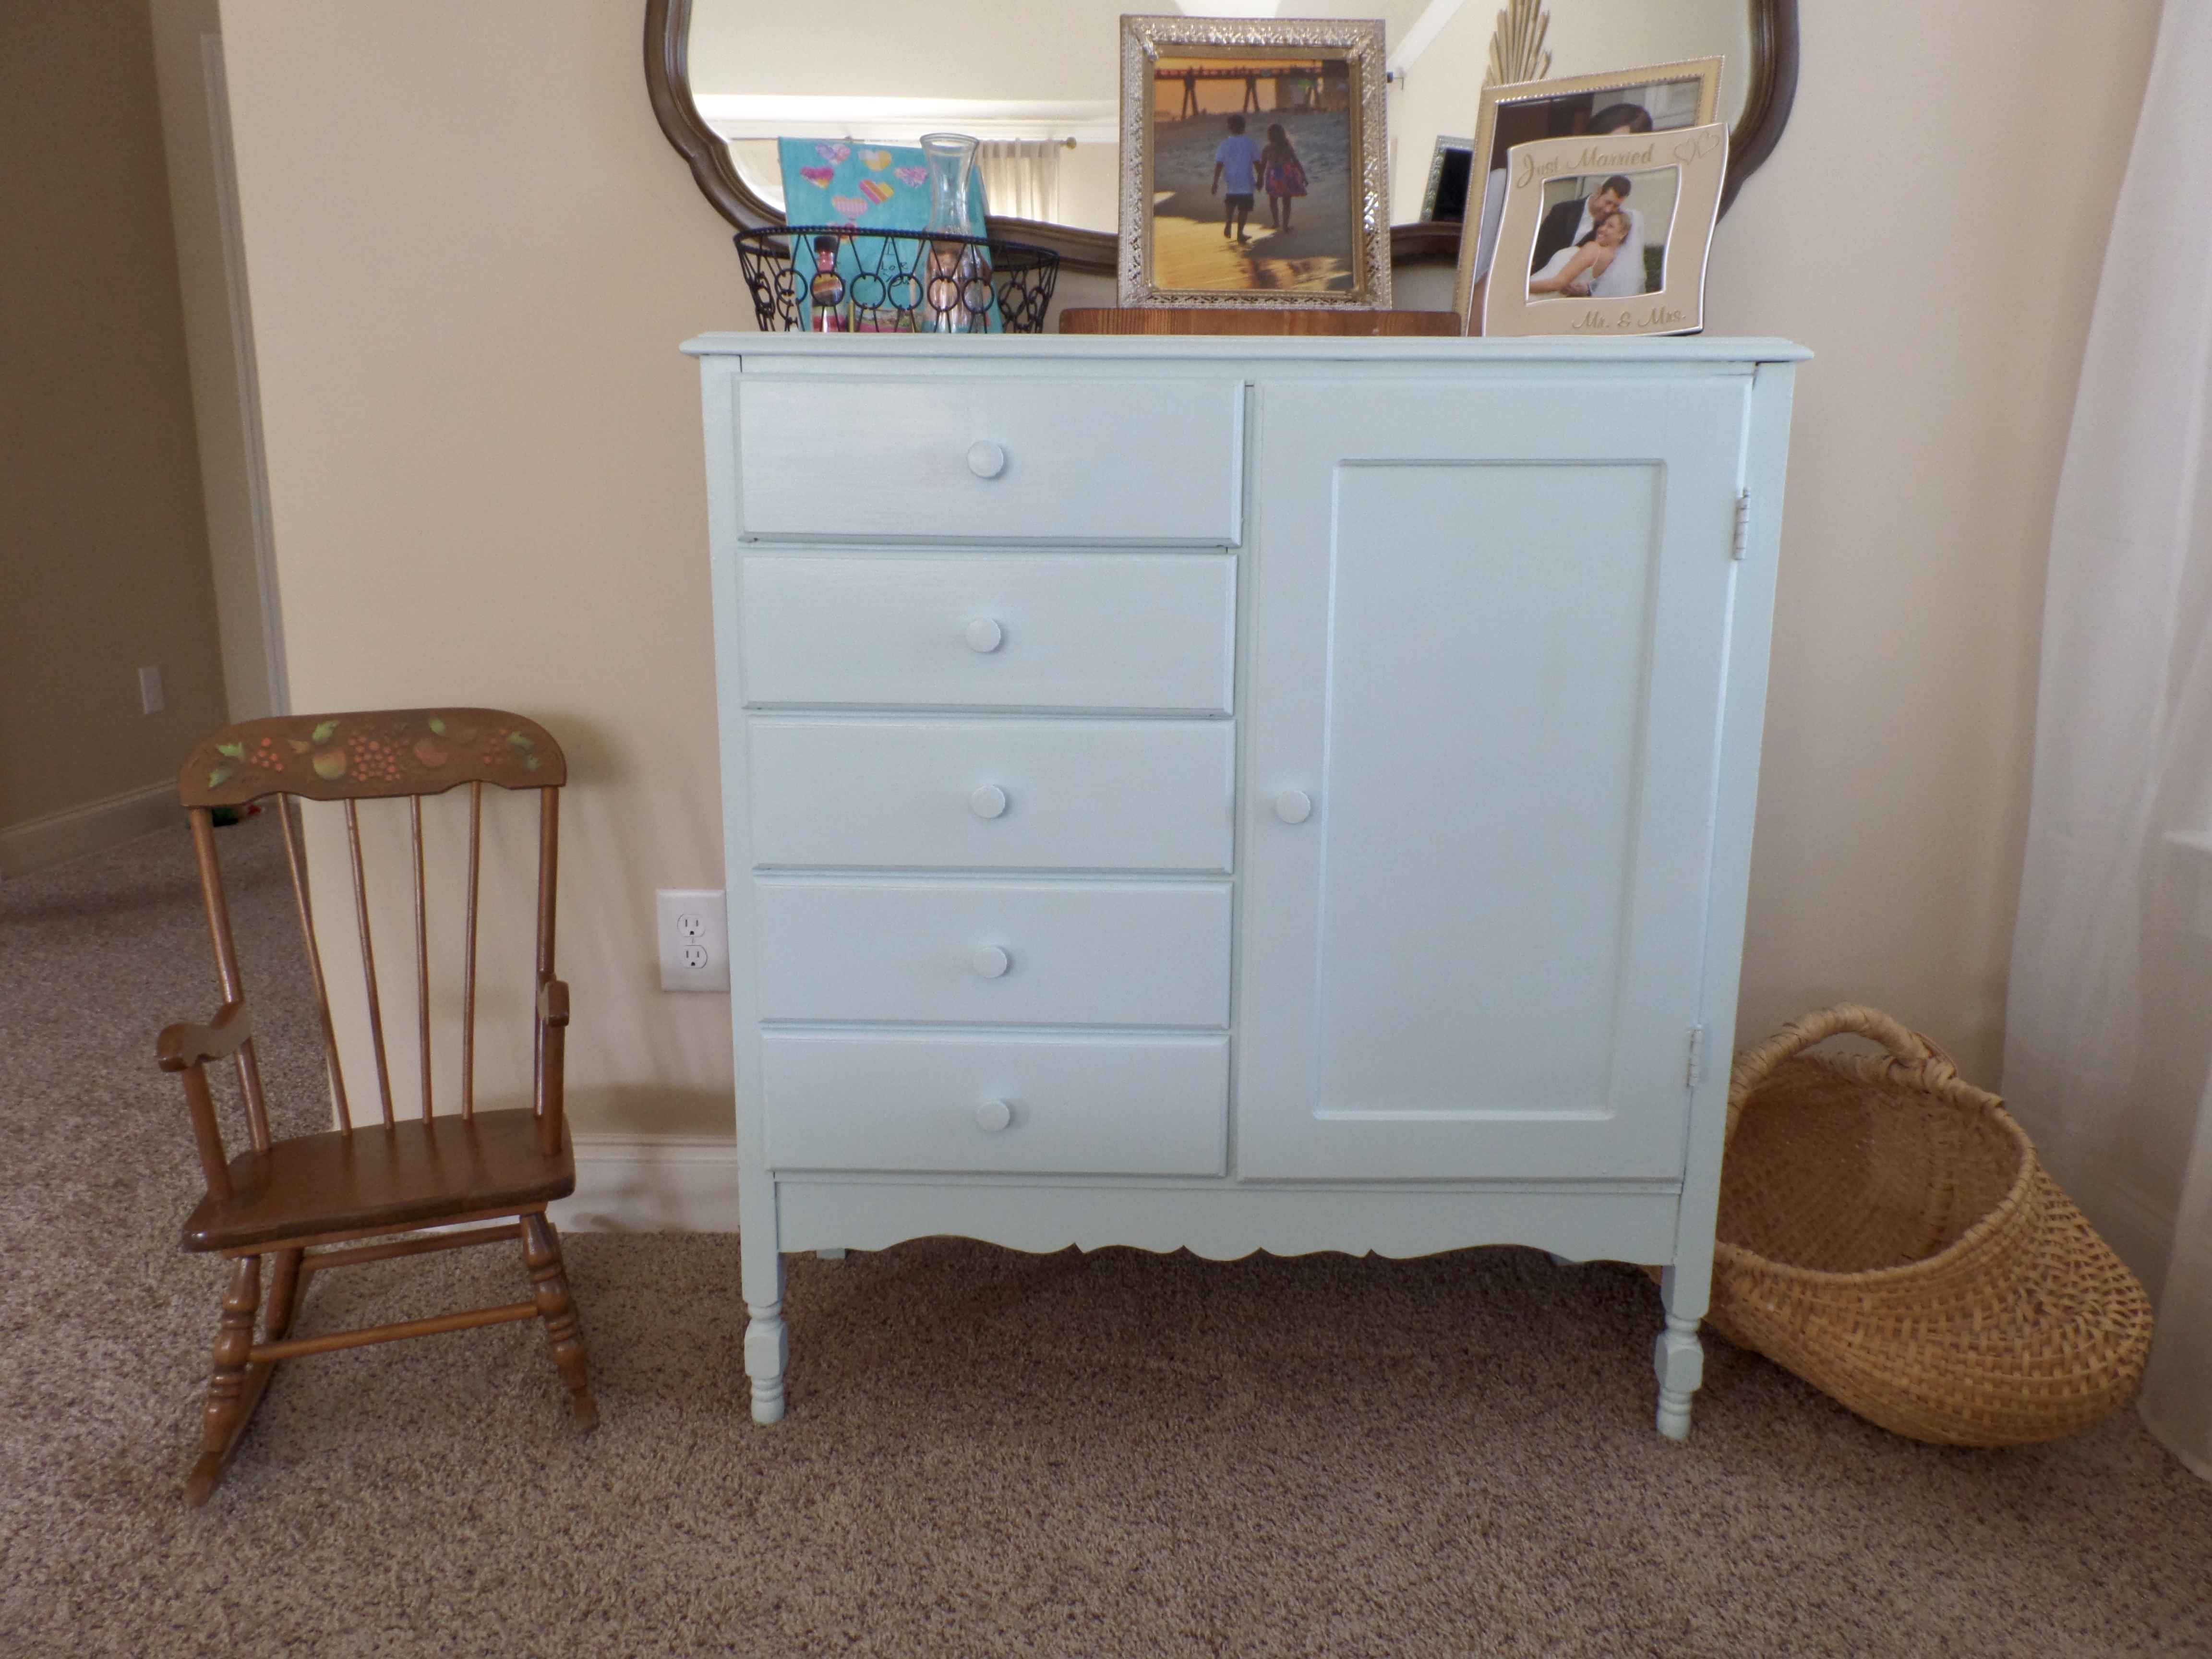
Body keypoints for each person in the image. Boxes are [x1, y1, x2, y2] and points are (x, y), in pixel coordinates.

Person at [1530, 172, 1635, 280]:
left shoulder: (1608, 229)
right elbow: (1537, 248)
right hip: (1537, 276)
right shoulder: (1562, 211)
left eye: (1616, 206)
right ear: (1599, 193)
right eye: (1608, 202)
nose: (1609, 210)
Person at [1527, 207, 1630, 297]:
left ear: (1623, 234)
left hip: (1533, 293)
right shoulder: (1612, 262)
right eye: (1603, 224)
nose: (1602, 229)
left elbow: (1558, 283)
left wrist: (1521, 288)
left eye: (1610, 226)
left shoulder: (1593, 249)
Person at [1211, 112, 1262, 242]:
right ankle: (1240, 233)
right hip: (1246, 180)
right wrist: (1260, 179)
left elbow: (1219, 164)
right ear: (1244, 127)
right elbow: (1257, 163)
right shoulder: (1250, 143)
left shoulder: (1225, 144)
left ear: (1229, 128)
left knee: (1231, 202)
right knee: (1244, 208)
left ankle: (1228, 223)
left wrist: (1215, 182)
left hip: (1231, 180)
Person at [1261, 122, 1308, 231]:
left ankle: (1276, 222)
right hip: (1286, 176)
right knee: (1286, 201)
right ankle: (1285, 225)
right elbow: (1296, 162)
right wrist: (1303, 175)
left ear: (1269, 136)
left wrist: (1260, 179)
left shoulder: (1268, 149)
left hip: (1273, 176)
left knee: (1273, 199)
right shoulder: (1287, 148)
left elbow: (1263, 166)